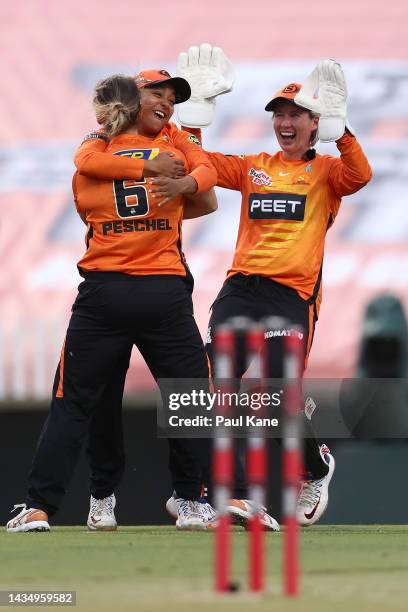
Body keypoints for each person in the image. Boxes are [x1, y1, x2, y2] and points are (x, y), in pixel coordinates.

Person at [62, 62, 372, 530]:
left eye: (298, 115)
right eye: (279, 115)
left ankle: (314, 467)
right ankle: (199, 492)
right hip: (240, 289)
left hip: (292, 296)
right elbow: (194, 166)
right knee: (204, 385)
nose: (285, 123)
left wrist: (341, 131)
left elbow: (361, 175)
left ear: (314, 123)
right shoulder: (255, 168)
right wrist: (195, 123)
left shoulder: (328, 172)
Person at [6, 72, 219, 533]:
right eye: (156, 93)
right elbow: (207, 195)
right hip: (162, 292)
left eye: (171, 97)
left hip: (104, 293)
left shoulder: (95, 156)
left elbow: (87, 181)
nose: (166, 103)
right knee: (189, 398)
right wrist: (170, 174)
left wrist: (169, 178)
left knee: (73, 403)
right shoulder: (171, 151)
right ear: (132, 100)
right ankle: (192, 501)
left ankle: (40, 505)